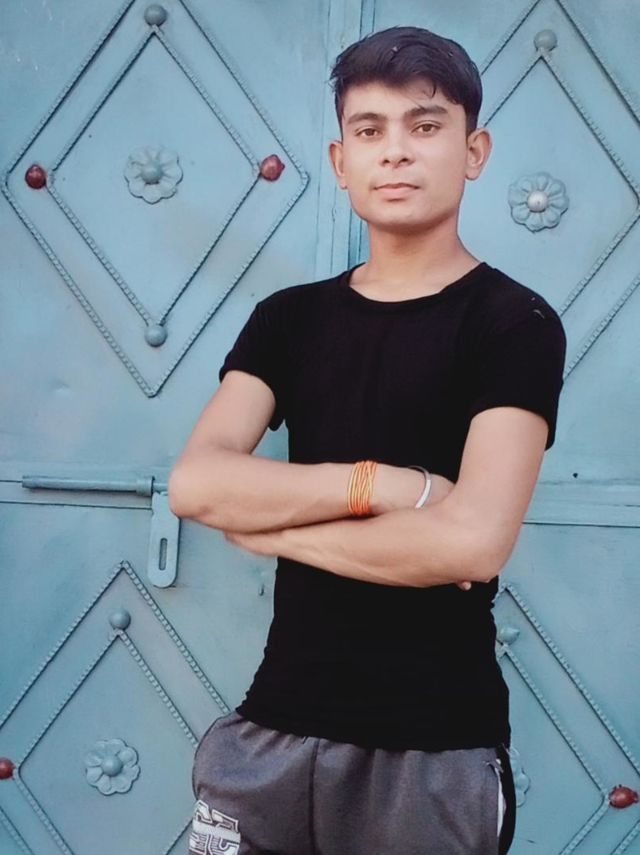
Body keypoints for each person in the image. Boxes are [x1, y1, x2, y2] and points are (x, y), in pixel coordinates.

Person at [170, 24, 566, 855]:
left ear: (474, 151)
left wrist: (272, 530)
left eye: (425, 125)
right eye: (369, 129)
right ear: (341, 159)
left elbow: (471, 542)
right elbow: (198, 482)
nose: (396, 151)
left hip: (432, 754)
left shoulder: (514, 324)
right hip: (271, 732)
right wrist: (385, 485)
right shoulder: (288, 320)